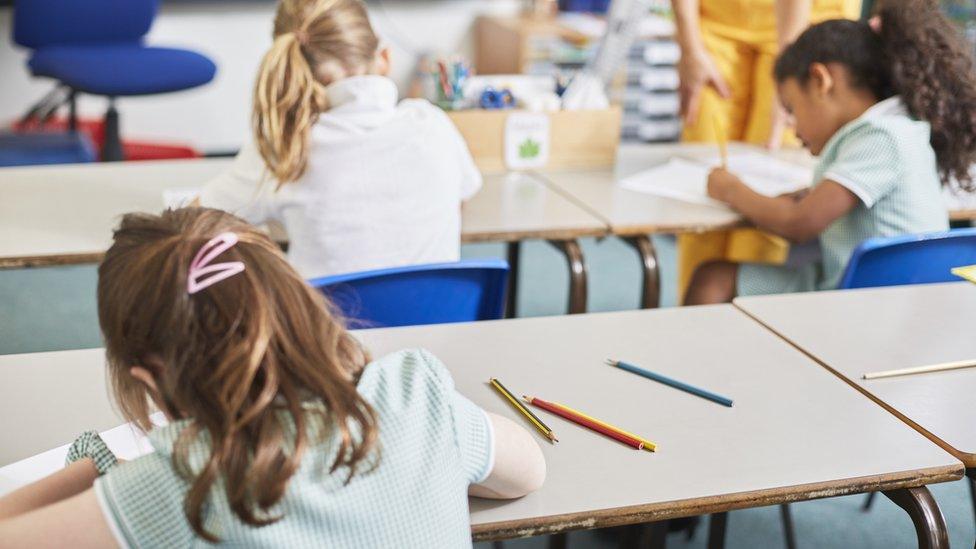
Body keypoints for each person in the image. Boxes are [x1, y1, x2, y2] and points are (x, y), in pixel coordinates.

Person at [0, 207, 546, 547]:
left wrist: (91, 473)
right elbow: (527, 474)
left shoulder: (179, 485)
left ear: (149, 376)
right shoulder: (414, 390)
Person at [685, 0, 976, 304]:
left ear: (821, 81)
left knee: (713, 280)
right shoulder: (893, 128)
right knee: (715, 276)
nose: (794, 129)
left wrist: (730, 189)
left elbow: (799, 225)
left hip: (869, 300)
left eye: (792, 108)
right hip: (878, 290)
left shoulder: (881, 137)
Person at [199, 0, 482, 279]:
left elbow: (197, 221)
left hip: (328, 325)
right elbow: (462, 198)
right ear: (384, 58)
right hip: (438, 322)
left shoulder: (287, 147)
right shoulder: (433, 125)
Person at [671, 0, 861, 298]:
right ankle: (696, 321)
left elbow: (796, 222)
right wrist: (689, 46)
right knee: (701, 186)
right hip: (720, 21)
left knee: (773, 178)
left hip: (806, 22)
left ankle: (750, 322)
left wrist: (788, 78)